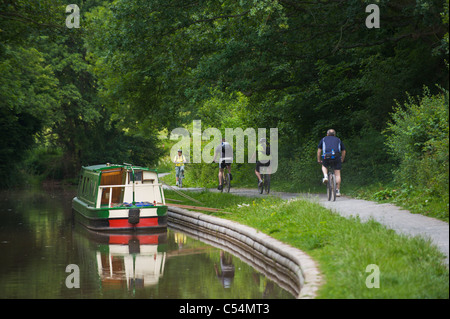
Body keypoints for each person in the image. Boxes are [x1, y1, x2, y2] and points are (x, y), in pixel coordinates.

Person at [317, 129, 346, 196]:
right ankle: (337, 191)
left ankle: (325, 176)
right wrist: (342, 159)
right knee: (337, 174)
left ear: (327, 134)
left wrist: (319, 160)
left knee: (324, 166)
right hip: (336, 157)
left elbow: (319, 151)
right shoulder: (338, 140)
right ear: (334, 134)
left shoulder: (323, 139)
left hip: (326, 157)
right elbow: (343, 151)